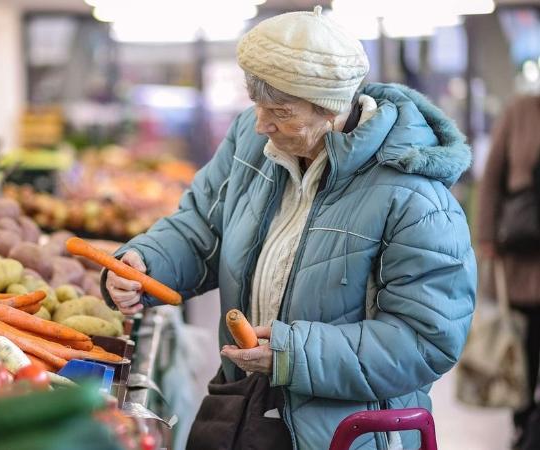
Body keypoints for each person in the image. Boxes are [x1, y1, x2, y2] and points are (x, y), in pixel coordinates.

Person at [102, 6, 476, 450]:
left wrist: (292, 353)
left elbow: (425, 340)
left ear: (331, 109)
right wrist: (147, 262)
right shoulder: (253, 138)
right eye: (257, 105)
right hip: (243, 409)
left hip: (346, 431)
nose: (262, 124)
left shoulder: (414, 197)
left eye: (280, 110)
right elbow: (202, 225)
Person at [476, 95, 540, 448]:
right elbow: (491, 179)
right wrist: (486, 236)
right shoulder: (520, 112)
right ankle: (523, 427)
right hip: (521, 262)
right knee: (523, 356)